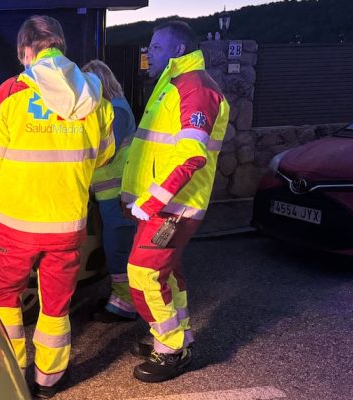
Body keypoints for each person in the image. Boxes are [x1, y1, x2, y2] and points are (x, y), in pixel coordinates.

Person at [0, 15, 114, 399]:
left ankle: (12, 373)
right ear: (61, 48)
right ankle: (48, 381)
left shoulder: (11, 92)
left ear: (26, 50)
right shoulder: (97, 98)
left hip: (17, 223)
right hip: (67, 223)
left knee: (5, 296)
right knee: (55, 305)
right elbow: (103, 157)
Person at [121, 20, 229, 383]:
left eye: (155, 47)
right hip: (166, 205)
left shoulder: (194, 88)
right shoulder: (176, 84)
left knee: (144, 275)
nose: (148, 53)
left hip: (172, 208)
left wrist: (151, 202)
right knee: (167, 274)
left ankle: (170, 350)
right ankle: (174, 337)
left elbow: (190, 156)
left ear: (178, 50)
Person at [81, 60, 138, 324]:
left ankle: (124, 305)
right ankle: (121, 298)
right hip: (111, 193)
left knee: (118, 249)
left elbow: (104, 152)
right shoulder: (115, 108)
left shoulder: (116, 111)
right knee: (115, 247)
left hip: (118, 193)